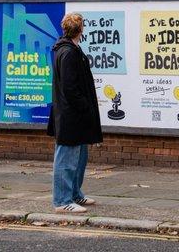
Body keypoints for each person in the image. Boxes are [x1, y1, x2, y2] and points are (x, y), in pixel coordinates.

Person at [47, 12, 103, 214]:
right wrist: (84, 106)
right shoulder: (68, 52)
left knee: (79, 158)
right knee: (66, 159)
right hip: (71, 115)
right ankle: (62, 201)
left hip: (76, 115)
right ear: (80, 30)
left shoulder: (70, 49)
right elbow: (70, 88)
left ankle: (74, 194)